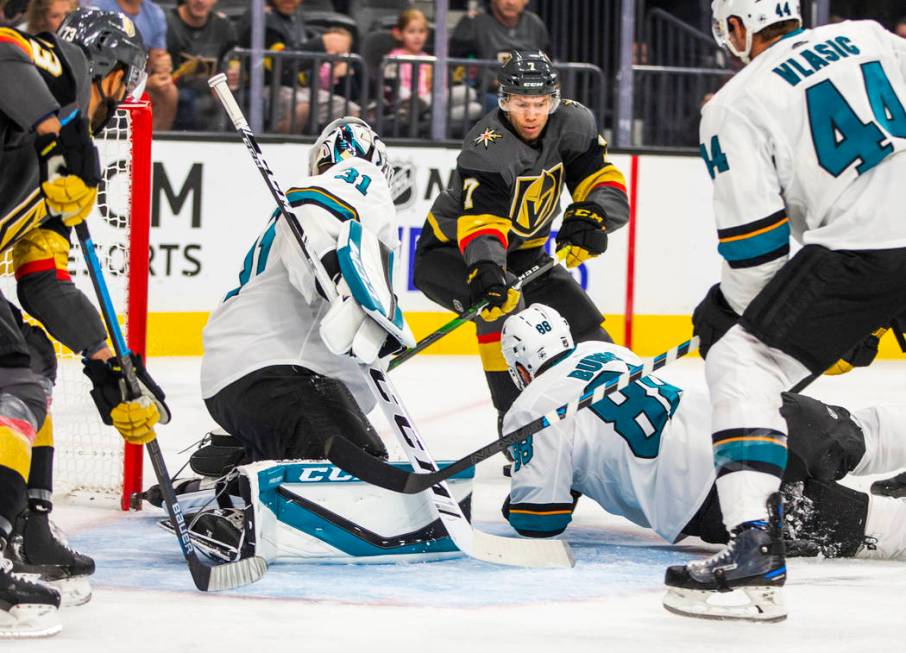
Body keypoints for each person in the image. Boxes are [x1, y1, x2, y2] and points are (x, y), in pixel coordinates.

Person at [667, 1, 906, 622]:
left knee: (739, 354)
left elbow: (755, 251)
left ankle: (752, 550)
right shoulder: (869, 35)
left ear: (738, 28)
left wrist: (819, 327)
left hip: (864, 249)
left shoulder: (734, 103)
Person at [499, 305, 906, 573]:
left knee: (876, 526)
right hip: (745, 419)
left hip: (707, 496)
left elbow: (540, 523)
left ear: (519, 364)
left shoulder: (530, 409)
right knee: (865, 433)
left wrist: (526, 490)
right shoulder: (609, 353)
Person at [0, 7, 167, 637]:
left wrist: (109, 368)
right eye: (126, 81)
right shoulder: (55, 73)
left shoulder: (66, 171)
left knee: (33, 359)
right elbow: (2, 54)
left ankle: (29, 527)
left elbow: (43, 284)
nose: (125, 99)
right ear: (111, 72)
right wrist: (59, 134)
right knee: (11, 378)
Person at [413, 49, 629, 441]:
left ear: (554, 99)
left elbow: (601, 179)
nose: (531, 114)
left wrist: (593, 214)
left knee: (585, 326)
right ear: (504, 101)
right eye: (520, 103)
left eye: (540, 103)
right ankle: (514, 425)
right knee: (503, 309)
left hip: (526, 254)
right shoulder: (486, 144)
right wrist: (486, 270)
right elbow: (483, 222)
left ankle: (625, 409)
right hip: (452, 254)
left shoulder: (574, 123)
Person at [201, 117, 412, 473]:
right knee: (358, 470)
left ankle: (242, 475)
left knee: (343, 452)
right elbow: (313, 204)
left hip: (243, 377)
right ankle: (253, 497)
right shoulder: (360, 174)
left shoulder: (303, 221)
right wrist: (336, 270)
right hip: (278, 373)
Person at [237, 0, 358, 133]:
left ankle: (336, 151)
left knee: (350, 111)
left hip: (299, 88)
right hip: (264, 88)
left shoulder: (295, 17)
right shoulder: (261, 17)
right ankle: (275, 148)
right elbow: (279, 63)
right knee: (301, 106)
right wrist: (320, 44)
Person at [384, 8, 481, 127]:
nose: (417, 36)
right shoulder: (394, 58)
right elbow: (393, 88)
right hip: (405, 104)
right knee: (468, 93)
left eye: (421, 31)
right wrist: (410, 99)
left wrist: (434, 82)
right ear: (399, 34)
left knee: (474, 105)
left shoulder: (431, 60)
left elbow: (442, 89)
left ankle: (425, 114)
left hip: (432, 103)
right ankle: (418, 109)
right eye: (411, 31)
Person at [91, 0, 178, 130]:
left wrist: (162, 64)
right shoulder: (99, 7)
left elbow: (158, 56)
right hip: (103, 79)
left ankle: (153, 141)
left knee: (168, 91)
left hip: (141, 80)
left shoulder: (155, 13)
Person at [450, 0, 550, 112]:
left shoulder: (535, 24)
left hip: (529, 93)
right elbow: (457, 65)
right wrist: (491, 80)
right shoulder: (473, 22)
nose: (511, 2)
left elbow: (545, 65)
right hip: (487, 93)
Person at [165, 0, 238, 131]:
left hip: (211, 91)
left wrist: (230, 77)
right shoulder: (166, 23)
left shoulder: (223, 26)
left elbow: (234, 63)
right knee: (189, 101)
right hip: (173, 90)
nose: (200, 1)